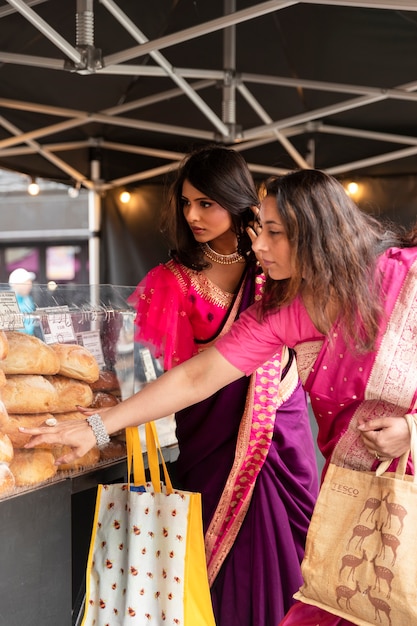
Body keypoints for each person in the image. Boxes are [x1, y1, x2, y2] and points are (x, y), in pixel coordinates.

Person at [22, 168, 417, 626]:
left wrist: (411, 429)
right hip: (356, 491)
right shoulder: (286, 311)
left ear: (317, 235)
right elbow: (197, 377)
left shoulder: (405, 279)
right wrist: (95, 426)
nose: (260, 246)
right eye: (259, 230)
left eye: (275, 233)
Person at [126, 146, 319, 625]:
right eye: (186, 202)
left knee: (295, 554)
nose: (192, 214)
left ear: (236, 200)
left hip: (279, 429)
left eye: (206, 202)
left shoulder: (275, 261)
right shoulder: (171, 281)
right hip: (213, 433)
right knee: (220, 568)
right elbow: (169, 371)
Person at [8, 267, 37, 335]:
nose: (30, 286)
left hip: (28, 339)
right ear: (16, 284)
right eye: (26, 283)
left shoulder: (28, 299)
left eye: (30, 283)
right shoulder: (7, 300)